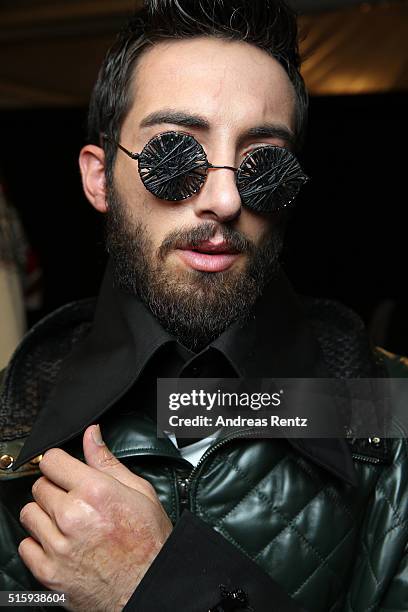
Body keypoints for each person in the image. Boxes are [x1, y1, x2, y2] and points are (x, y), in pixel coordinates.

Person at [1, 1, 408, 611]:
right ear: (98, 178)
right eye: (173, 157)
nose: (224, 197)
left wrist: (162, 588)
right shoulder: (11, 419)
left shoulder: (390, 417)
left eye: (262, 163)